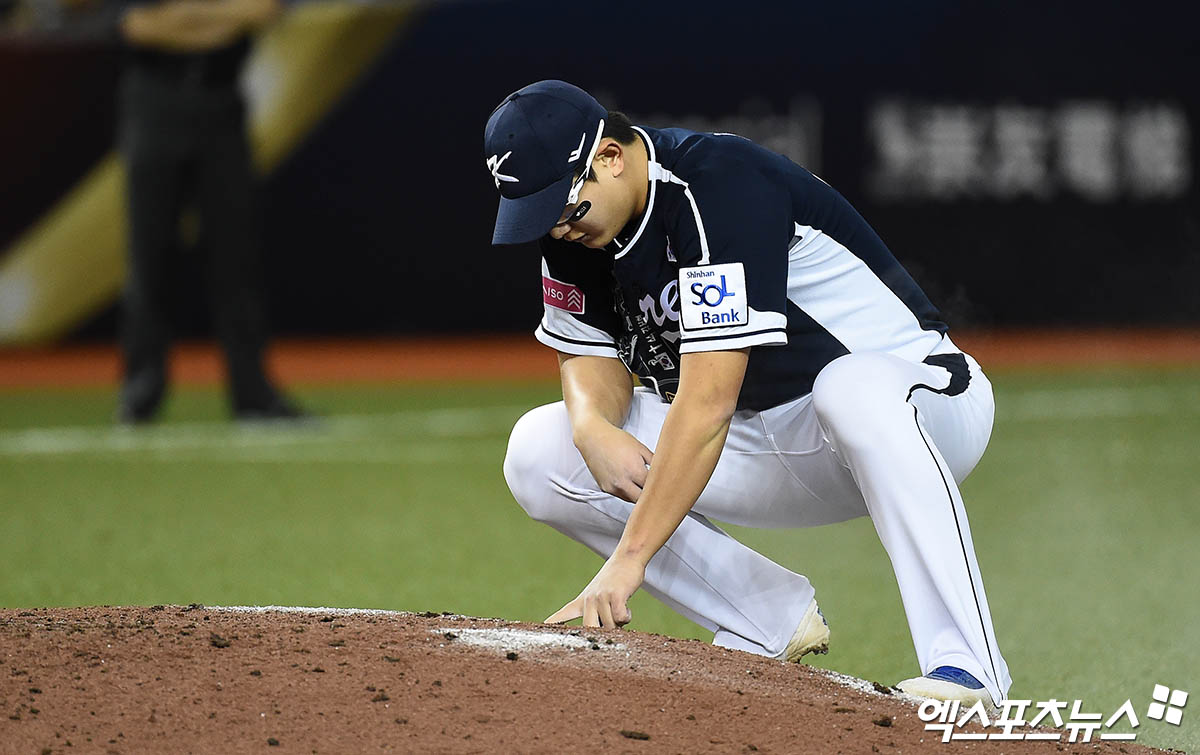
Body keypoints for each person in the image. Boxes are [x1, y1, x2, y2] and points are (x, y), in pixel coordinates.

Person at [489, 80, 1012, 708]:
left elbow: (707, 402)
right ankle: (766, 616)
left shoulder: (719, 185)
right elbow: (587, 353)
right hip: (763, 440)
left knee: (852, 389)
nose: (561, 231)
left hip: (920, 407)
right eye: (544, 218)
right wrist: (591, 427)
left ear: (610, 157)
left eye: (567, 211)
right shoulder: (580, 229)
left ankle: (968, 669)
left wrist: (630, 559)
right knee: (539, 450)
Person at [115, 0, 301, 422]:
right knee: (150, 252)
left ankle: (252, 394)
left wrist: (180, 16)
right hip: (153, 100)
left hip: (222, 101)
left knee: (235, 256)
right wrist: (219, 15)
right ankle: (140, 390)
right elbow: (137, 26)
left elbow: (263, 12)